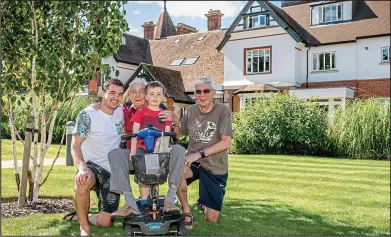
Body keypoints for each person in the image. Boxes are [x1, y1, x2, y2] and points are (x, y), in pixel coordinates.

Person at [107, 78, 186, 217]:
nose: (137, 95)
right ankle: (130, 203)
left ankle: (170, 200)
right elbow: (106, 108)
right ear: (129, 95)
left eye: (141, 92)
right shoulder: (122, 111)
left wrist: (175, 120)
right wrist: (95, 105)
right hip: (135, 155)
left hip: (160, 154)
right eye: (133, 92)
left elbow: (175, 137)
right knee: (115, 154)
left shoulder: (163, 111)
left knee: (179, 149)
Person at [175, 77, 233, 230]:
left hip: (215, 166)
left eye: (206, 91)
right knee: (176, 172)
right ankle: (187, 213)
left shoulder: (223, 110)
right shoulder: (190, 111)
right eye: (198, 91)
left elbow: (226, 142)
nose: (202, 95)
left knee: (211, 218)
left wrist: (199, 154)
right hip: (193, 163)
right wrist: (175, 121)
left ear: (213, 92)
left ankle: (204, 200)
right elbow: (179, 135)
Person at [70, 79, 125, 236]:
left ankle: (81, 215)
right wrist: (82, 168)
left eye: (120, 94)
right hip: (92, 166)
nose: (116, 97)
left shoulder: (121, 112)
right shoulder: (88, 115)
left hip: (112, 173)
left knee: (105, 222)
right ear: (103, 93)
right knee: (82, 181)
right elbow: (74, 146)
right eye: (112, 93)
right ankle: (84, 228)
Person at [125, 81, 173, 212]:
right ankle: (145, 200)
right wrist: (133, 151)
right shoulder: (141, 112)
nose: (155, 97)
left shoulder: (164, 114)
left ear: (163, 96)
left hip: (158, 148)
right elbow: (134, 132)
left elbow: (167, 134)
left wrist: (165, 150)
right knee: (143, 172)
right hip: (142, 147)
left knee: (155, 173)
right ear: (146, 96)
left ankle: (155, 199)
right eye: (152, 94)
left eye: (158, 94)